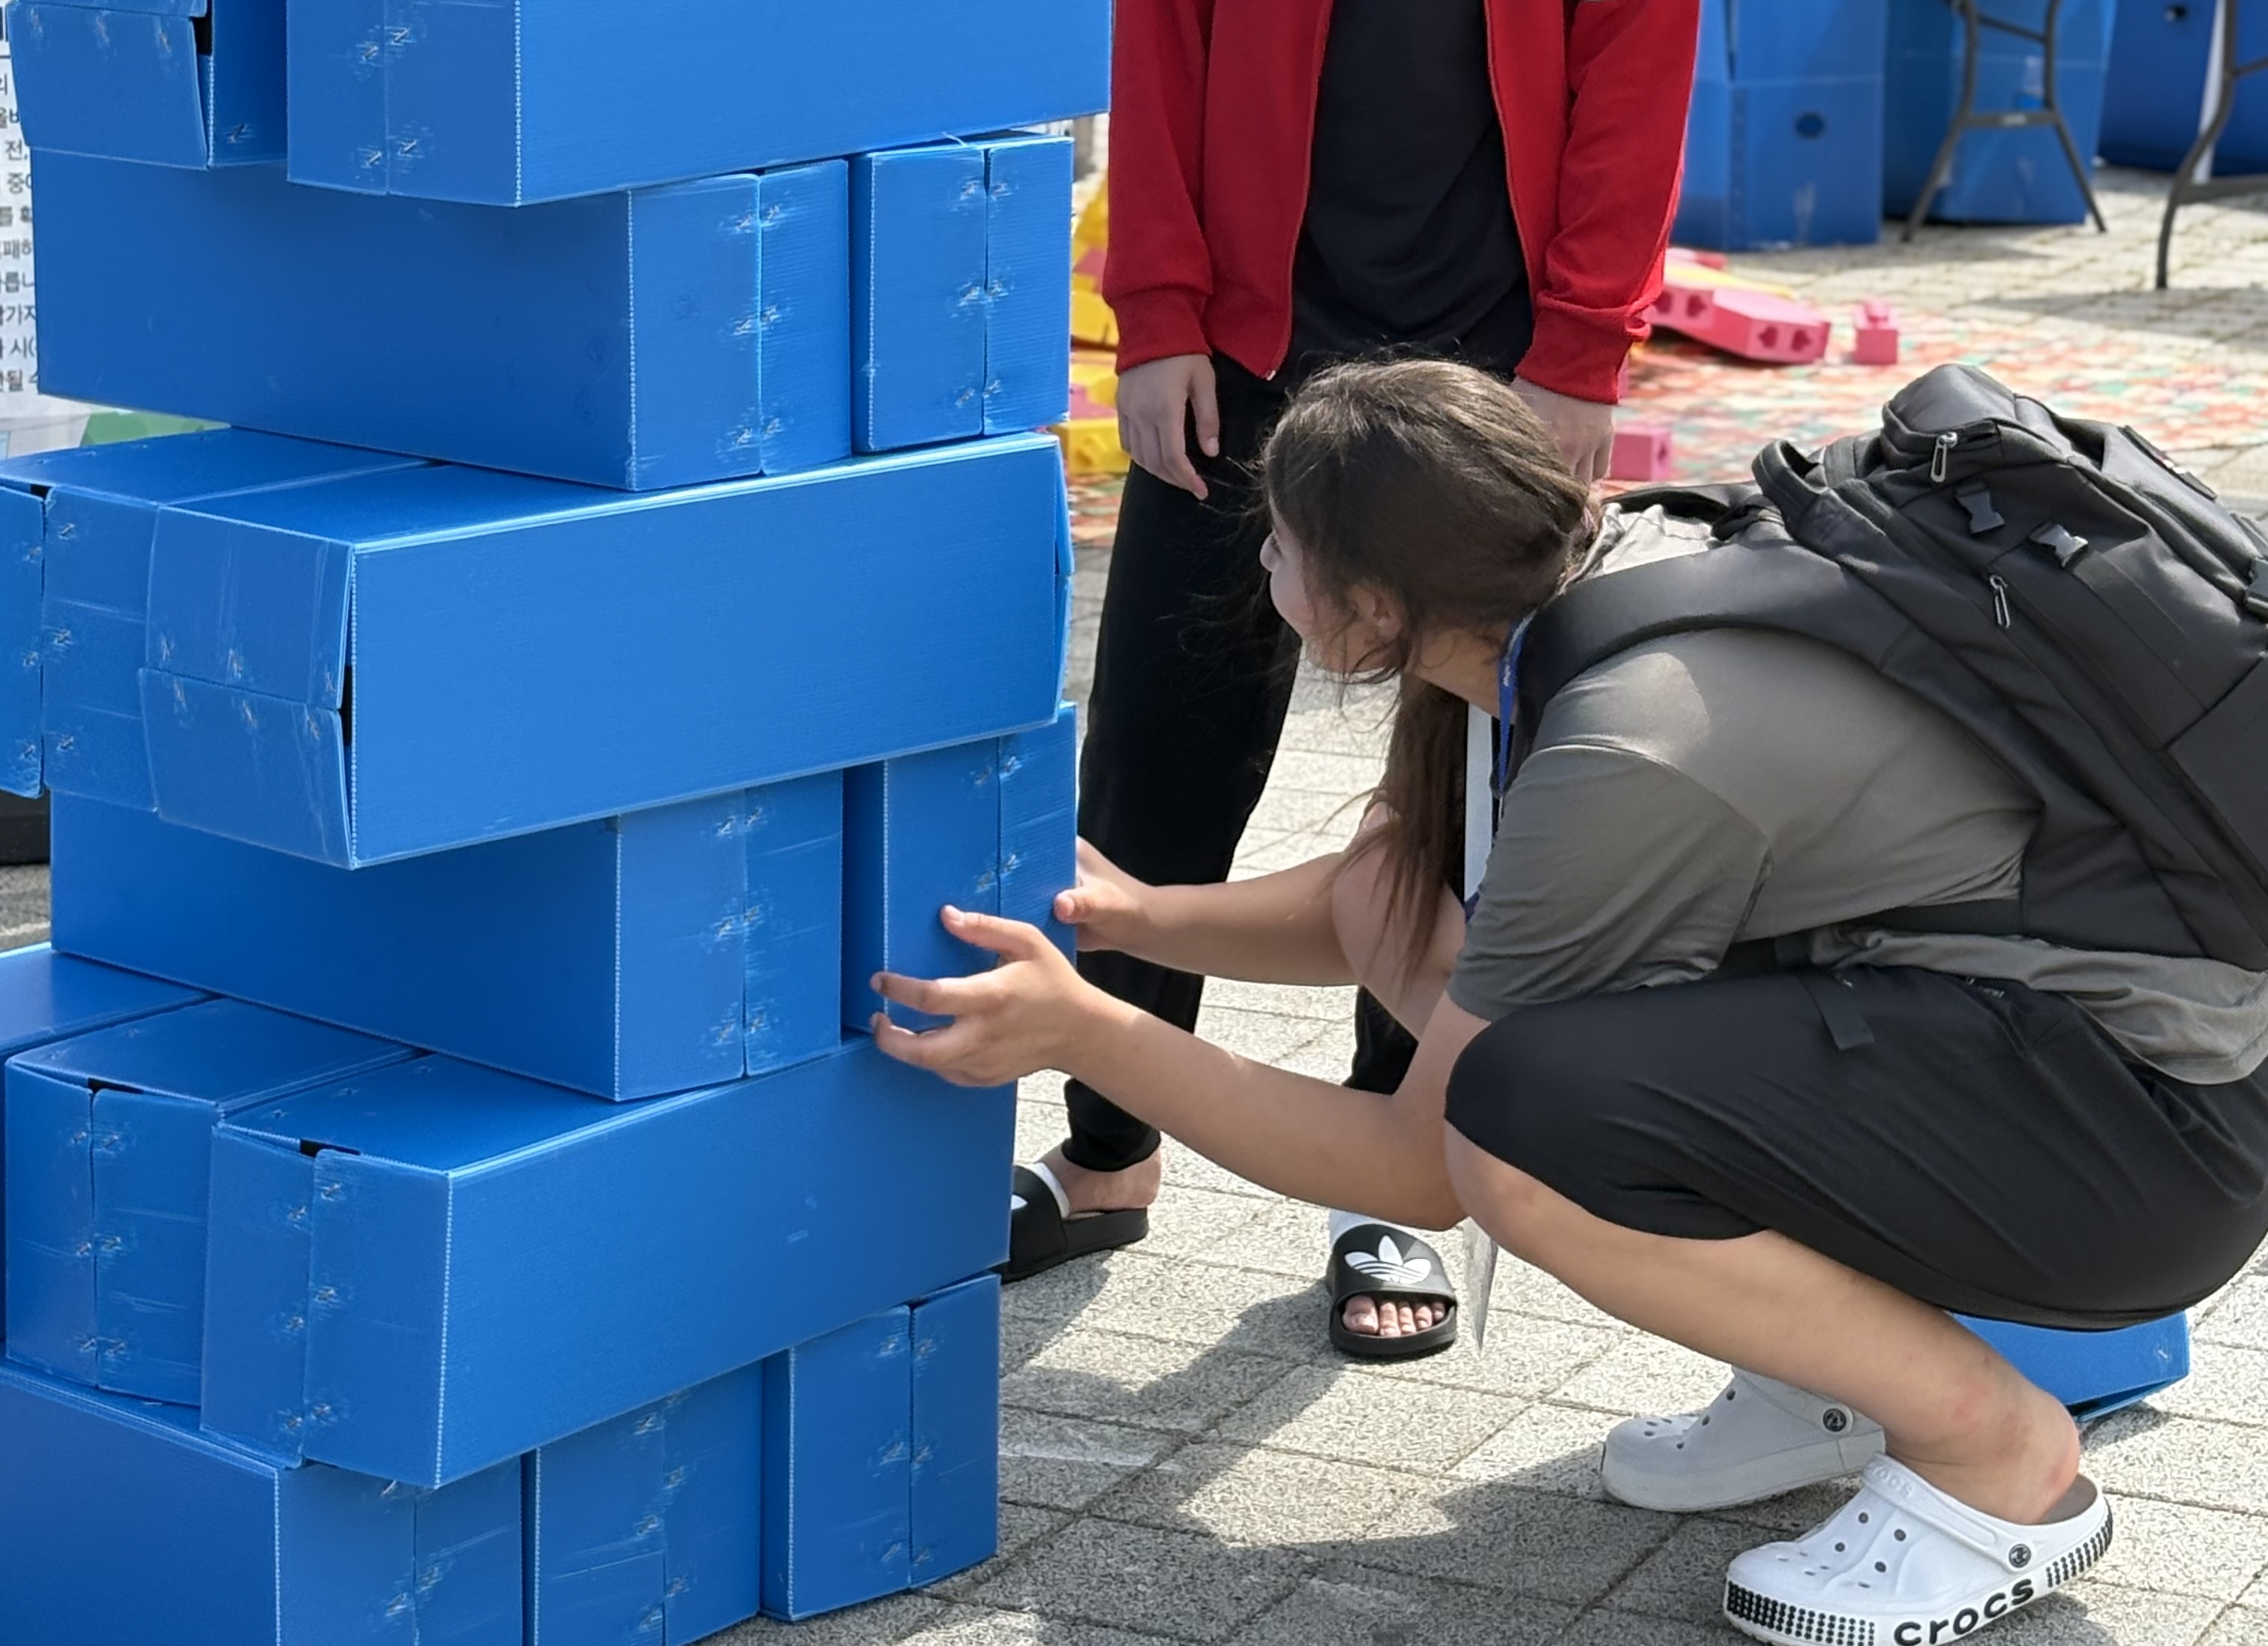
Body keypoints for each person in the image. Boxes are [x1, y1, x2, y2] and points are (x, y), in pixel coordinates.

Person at [872, 359, 2268, 1644]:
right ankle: (1831, 1381)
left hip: (2148, 1147)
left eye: (1280, 542)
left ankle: (1997, 1462)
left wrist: (1093, 1033)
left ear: (1370, 607)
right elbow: (1389, 900)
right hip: (2038, 1060)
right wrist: (1132, 916)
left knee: (1525, 1121)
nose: (1262, 561)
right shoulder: (1584, 585)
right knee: (1539, 1049)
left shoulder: (1630, 745)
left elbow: (1419, 1171)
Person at [1012, 0, 1699, 1351]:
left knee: (1456, 771)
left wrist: (1583, 353)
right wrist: (1155, 312)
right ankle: (1110, 1148)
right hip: (1253, 333)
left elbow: (1642, 30)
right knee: (1162, 741)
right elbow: (1159, 7)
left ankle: (1404, 1187)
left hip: (1485, 356)